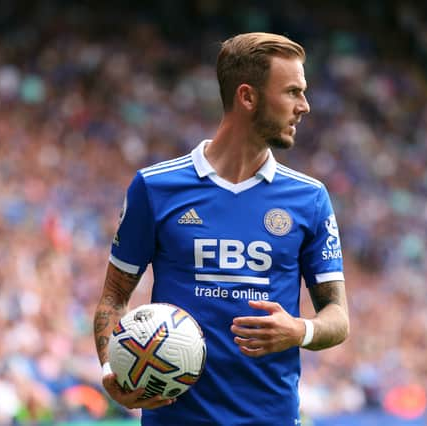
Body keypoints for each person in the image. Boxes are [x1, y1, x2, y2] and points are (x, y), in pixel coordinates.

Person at [93, 32, 350, 426]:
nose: (305, 106)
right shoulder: (155, 187)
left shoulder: (309, 199)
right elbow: (113, 299)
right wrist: (113, 368)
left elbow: (338, 316)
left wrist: (300, 330)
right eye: (293, 92)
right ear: (247, 97)